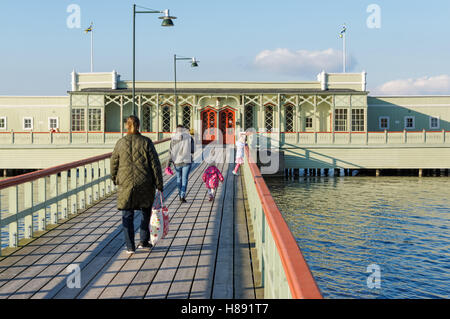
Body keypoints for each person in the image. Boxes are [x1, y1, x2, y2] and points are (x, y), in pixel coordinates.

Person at [111, 115, 163, 254]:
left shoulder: (120, 143)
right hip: (145, 182)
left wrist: (115, 178)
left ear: (126, 126)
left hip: (126, 183)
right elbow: (155, 164)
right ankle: (144, 241)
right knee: (146, 211)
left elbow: (114, 163)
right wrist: (159, 184)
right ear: (139, 126)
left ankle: (130, 246)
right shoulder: (146, 142)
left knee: (127, 214)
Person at [168, 125, 195, 203]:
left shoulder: (173, 139)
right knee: (184, 179)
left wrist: (168, 165)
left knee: (178, 178)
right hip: (186, 161)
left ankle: (180, 194)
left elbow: (170, 152)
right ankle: (182, 195)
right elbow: (192, 150)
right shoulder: (190, 138)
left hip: (177, 162)